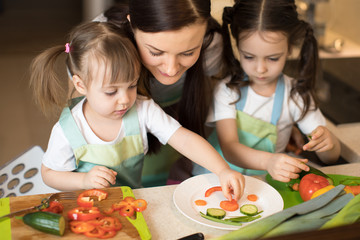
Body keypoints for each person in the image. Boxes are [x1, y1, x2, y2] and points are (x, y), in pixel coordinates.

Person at [29, 21, 245, 199]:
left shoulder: (142, 108)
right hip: (82, 209)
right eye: (111, 92)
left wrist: (222, 169)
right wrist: (83, 181)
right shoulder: (68, 129)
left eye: (131, 85)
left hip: (127, 202)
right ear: (80, 85)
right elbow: (49, 174)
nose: (125, 100)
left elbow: (184, 139)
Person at [194, 0, 341, 182]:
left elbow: (331, 158)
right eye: (249, 57)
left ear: (289, 49)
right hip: (218, 177)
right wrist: (269, 161)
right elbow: (230, 148)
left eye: (272, 58)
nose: (260, 69)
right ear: (238, 46)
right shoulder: (227, 90)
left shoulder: (296, 95)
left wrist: (329, 144)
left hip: (266, 183)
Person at [96, 0, 230, 185]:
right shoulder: (97, 47)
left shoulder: (211, 44)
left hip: (176, 130)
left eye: (188, 53)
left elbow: (188, 137)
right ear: (131, 24)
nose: (172, 69)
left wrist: (222, 170)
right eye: (156, 53)